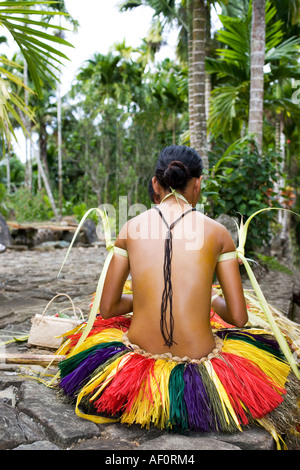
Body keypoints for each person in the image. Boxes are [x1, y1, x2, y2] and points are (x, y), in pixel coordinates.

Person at [58, 145, 299, 448]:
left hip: (136, 365)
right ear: (198, 183)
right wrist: (208, 299)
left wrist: (144, 299)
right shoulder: (218, 233)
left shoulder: (130, 227)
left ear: (156, 184)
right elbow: (238, 317)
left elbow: (107, 308)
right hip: (201, 366)